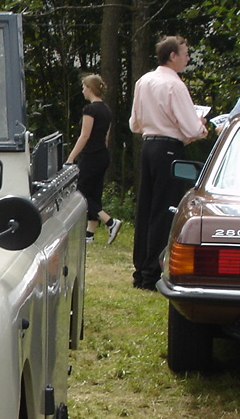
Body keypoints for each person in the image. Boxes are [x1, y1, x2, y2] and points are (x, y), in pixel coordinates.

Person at [129, 36, 210, 290]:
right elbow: (191, 126)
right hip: (168, 149)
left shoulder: (144, 81)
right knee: (164, 210)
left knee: (146, 208)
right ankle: (152, 272)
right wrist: (201, 125)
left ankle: (141, 269)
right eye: (185, 53)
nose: (187, 58)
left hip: (148, 145)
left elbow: (135, 123)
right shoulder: (175, 86)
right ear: (172, 55)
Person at [66, 74, 121, 244]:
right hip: (103, 155)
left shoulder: (90, 110)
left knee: (81, 194)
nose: (82, 90)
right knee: (94, 193)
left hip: (91, 156)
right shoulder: (106, 110)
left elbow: (84, 136)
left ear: (89, 88)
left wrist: (70, 158)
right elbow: (106, 137)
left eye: (84, 87)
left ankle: (110, 222)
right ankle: (89, 234)